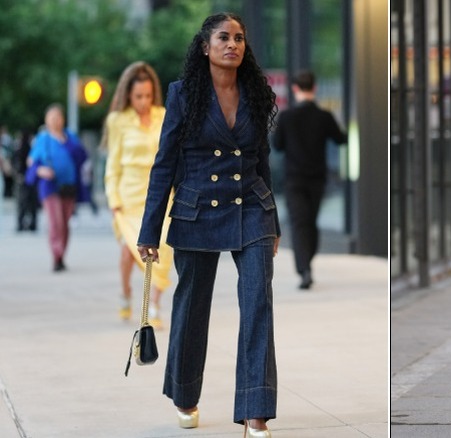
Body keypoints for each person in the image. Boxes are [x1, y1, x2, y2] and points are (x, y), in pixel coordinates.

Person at [137, 12, 280, 437]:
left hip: (251, 209)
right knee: (192, 307)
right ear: (205, 46)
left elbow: (262, 160)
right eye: (223, 37)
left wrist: (273, 223)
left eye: (239, 38)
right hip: (197, 209)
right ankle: (185, 392)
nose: (232, 44)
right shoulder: (183, 95)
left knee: (258, 304)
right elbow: (164, 165)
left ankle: (256, 410)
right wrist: (149, 230)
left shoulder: (257, 93)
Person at [104, 61, 173, 328]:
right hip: (129, 196)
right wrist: (114, 199)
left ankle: (154, 303)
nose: (143, 101)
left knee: (164, 247)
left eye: (147, 95)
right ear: (128, 95)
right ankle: (126, 293)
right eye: (137, 96)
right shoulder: (118, 121)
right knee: (127, 254)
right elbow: (113, 163)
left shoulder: (163, 115)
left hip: (160, 194)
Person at [272, 70, 348, 289]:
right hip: (317, 178)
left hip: (294, 178)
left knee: (298, 223)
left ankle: (304, 268)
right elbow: (340, 139)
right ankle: (307, 263)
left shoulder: (286, 117)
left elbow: (277, 145)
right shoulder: (324, 116)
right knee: (311, 221)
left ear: (295, 89)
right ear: (314, 89)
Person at [26, 104, 89, 272]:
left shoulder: (70, 137)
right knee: (56, 222)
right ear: (46, 120)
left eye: (58, 116)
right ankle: (56, 254)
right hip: (50, 187)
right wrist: (41, 170)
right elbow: (31, 162)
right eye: (51, 117)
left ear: (63, 119)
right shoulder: (43, 139)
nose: (55, 120)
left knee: (65, 223)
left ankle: (61, 256)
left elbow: (82, 157)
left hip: (68, 187)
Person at [11, 130, 38, 232]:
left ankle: (20, 224)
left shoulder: (19, 150)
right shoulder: (31, 149)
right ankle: (33, 224)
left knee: (21, 203)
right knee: (32, 203)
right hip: (31, 180)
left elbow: (15, 164)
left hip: (21, 180)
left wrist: (17, 174)